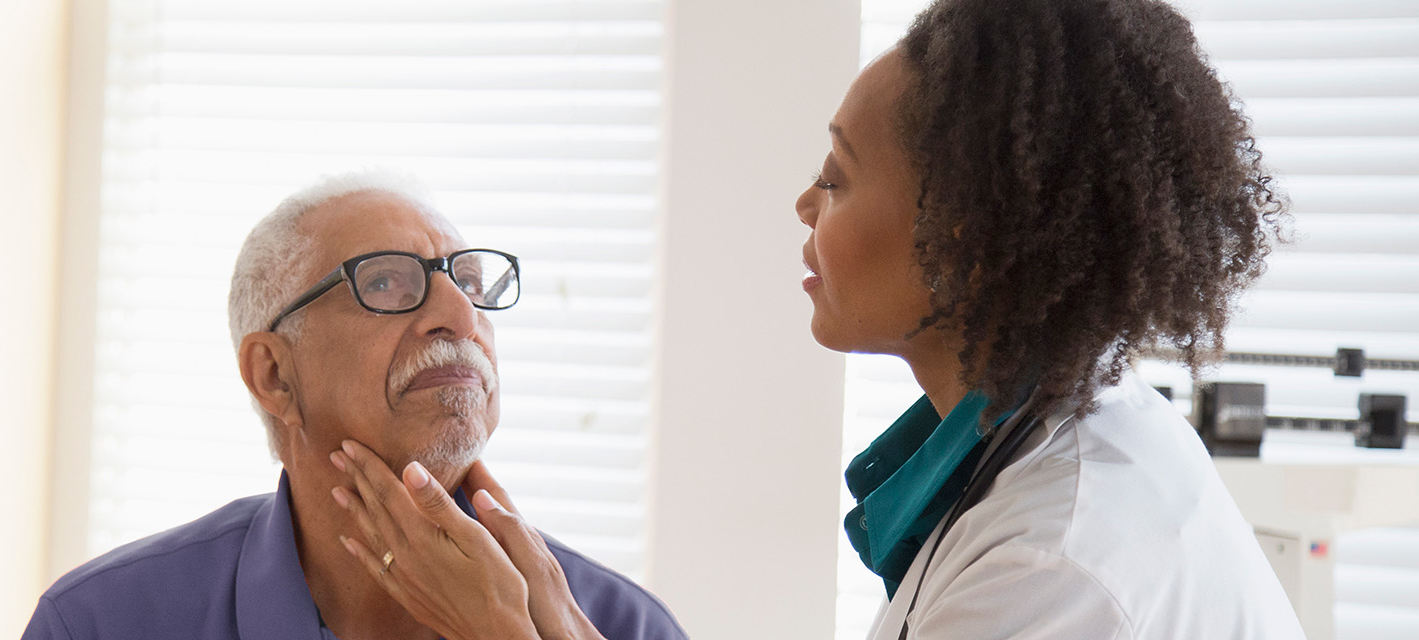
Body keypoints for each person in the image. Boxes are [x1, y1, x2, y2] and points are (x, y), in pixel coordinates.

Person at [325, 0, 1307, 638]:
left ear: (965, 229)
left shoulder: (1061, 570)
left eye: (836, 176)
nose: (804, 204)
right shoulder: (1030, 450)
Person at [20, 171, 685, 640]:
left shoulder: (625, 626)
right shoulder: (103, 623)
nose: (459, 314)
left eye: (472, 283)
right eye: (388, 282)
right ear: (274, 375)